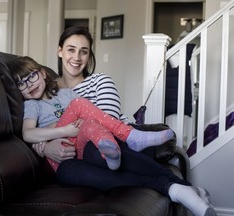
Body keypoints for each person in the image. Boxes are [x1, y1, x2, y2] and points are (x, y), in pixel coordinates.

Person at [46, 26, 215, 216]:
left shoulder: (100, 81)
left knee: (95, 150)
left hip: (114, 145)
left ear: (89, 55)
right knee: (66, 171)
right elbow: (36, 130)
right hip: (74, 158)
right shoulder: (47, 92)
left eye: (83, 51)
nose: (77, 57)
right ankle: (181, 189)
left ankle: (181, 187)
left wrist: (67, 130)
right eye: (71, 49)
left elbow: (104, 126)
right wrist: (45, 147)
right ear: (60, 51)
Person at [10, 56, 174, 172]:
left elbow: (91, 113)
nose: (28, 84)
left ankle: (113, 154)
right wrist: (64, 129)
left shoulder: (66, 94)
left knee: (90, 122)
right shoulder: (32, 105)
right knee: (79, 104)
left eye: (31, 76)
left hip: (81, 144)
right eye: (21, 83)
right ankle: (130, 135)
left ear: (43, 74)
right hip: (62, 147)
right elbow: (28, 133)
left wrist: (80, 119)